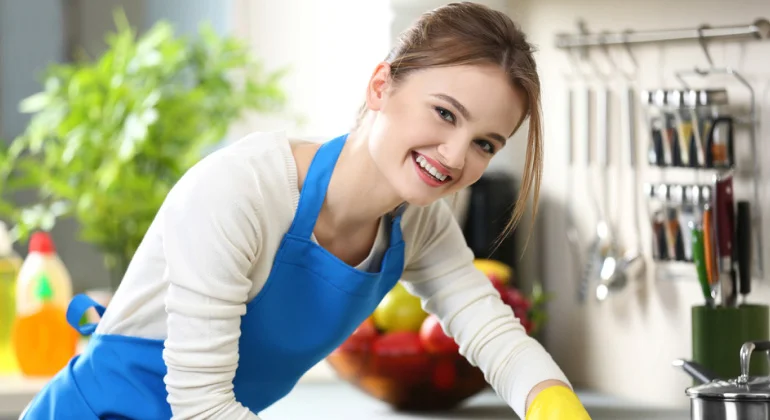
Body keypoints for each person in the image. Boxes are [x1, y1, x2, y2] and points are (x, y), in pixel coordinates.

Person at [21, 2, 590, 419]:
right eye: (444, 113)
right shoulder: (242, 191)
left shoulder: (418, 224)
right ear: (380, 86)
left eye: (485, 143)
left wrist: (554, 403)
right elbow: (199, 404)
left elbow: (495, 337)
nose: (455, 155)